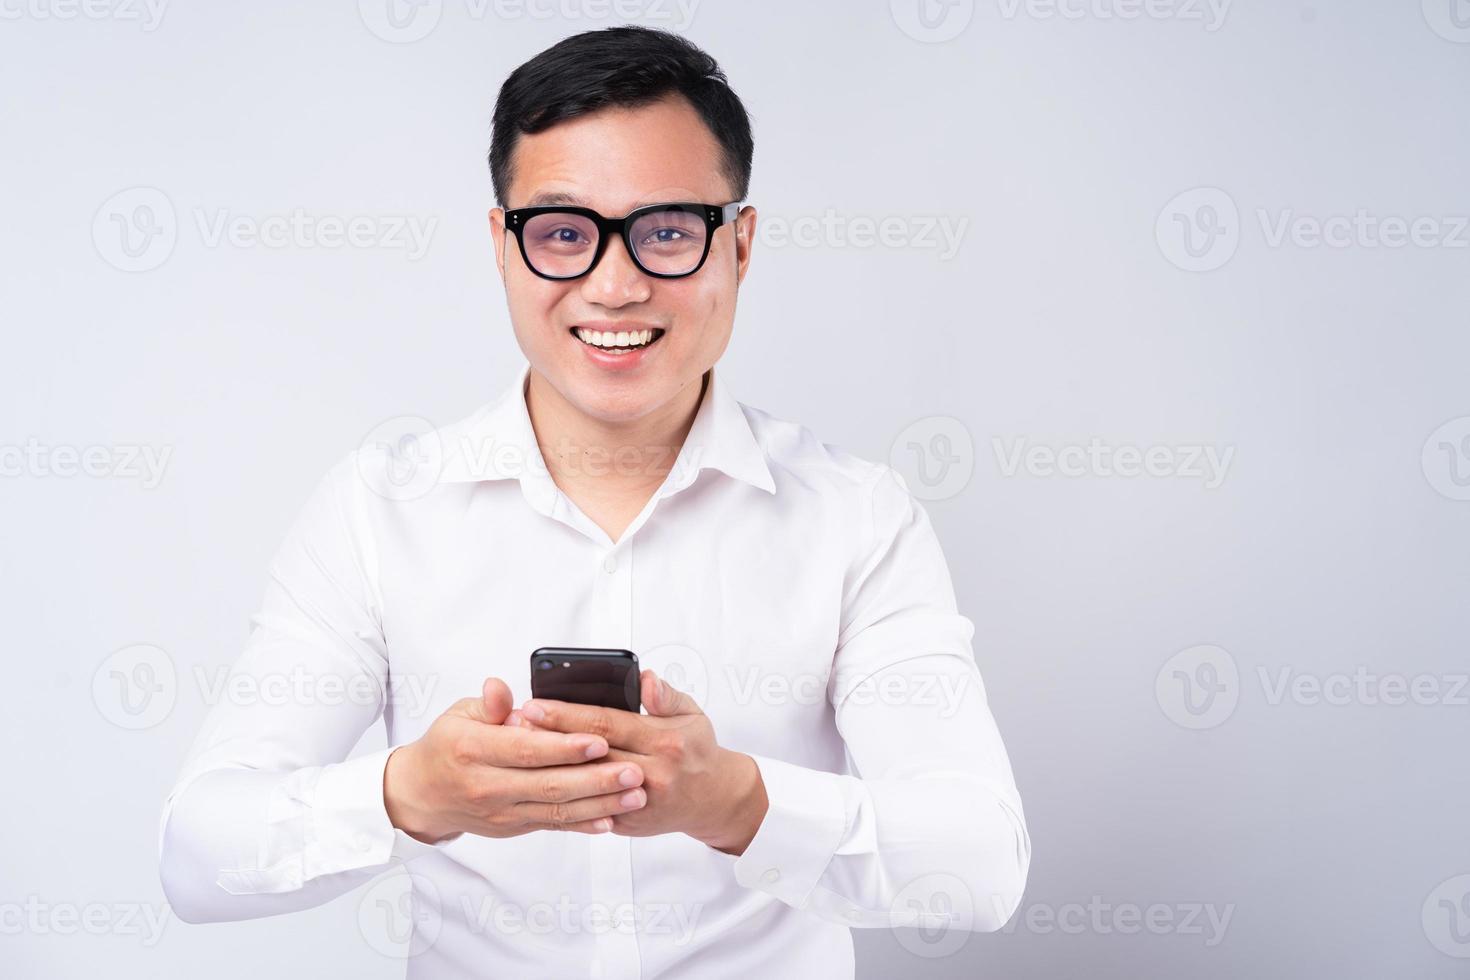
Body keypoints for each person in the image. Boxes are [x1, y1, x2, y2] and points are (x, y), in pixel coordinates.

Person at [158, 25, 1030, 978]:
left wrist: (736, 805)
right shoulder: (379, 512)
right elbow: (198, 852)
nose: (614, 287)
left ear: (739, 245)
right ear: (502, 247)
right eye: (564, 233)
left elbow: (980, 862)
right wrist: (414, 794)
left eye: (665, 231)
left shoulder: (857, 517)